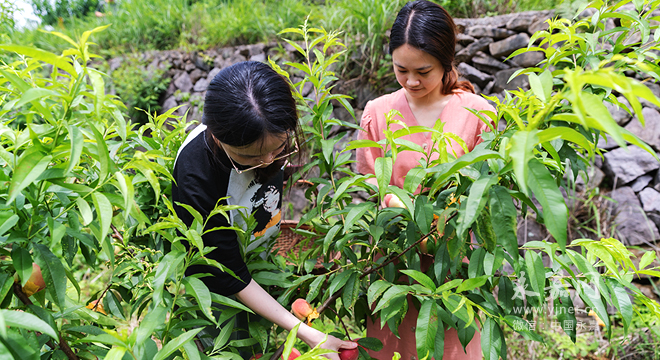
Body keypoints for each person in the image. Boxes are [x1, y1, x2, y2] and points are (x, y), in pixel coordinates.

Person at [172, 61, 356, 359]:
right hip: (214, 284)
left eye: (280, 147)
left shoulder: (268, 130)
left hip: (258, 265)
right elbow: (226, 270)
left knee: (258, 347)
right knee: (229, 350)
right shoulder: (197, 172)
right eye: (251, 156)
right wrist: (305, 332)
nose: (271, 160)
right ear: (219, 138)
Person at [355, 1, 495, 359]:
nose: (412, 81)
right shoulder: (378, 111)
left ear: (447, 62)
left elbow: (487, 191)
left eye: (423, 71)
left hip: (454, 267)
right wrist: (391, 200)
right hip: (394, 266)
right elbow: (366, 179)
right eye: (401, 70)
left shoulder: (479, 115)